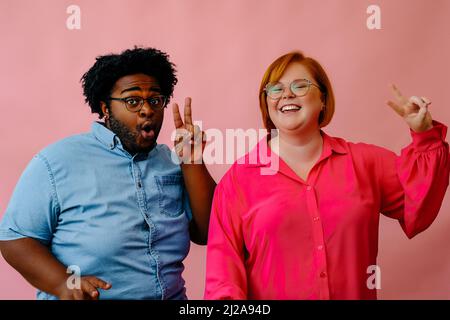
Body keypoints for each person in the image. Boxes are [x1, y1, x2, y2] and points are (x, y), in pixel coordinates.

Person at [204, 51, 449, 300]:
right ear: (266, 103)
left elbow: (418, 202)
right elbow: (223, 280)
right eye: (275, 89)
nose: (286, 94)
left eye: (300, 85)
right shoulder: (237, 181)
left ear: (323, 99)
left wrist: (424, 134)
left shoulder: (365, 163)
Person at [0, 47, 216, 300]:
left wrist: (192, 161)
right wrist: (62, 283)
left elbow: (207, 232)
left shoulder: (171, 161)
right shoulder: (57, 161)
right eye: (132, 100)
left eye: (155, 100)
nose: (147, 109)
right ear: (105, 108)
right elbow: (15, 237)